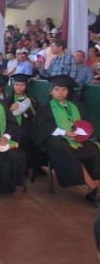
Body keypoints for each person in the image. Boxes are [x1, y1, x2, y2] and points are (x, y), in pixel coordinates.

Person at [32, 75, 100, 204]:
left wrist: (82, 133)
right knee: (68, 152)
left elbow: (85, 123)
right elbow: (43, 128)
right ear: (50, 91)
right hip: (54, 140)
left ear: (68, 92)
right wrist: (64, 132)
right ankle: (93, 187)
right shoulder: (45, 108)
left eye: (64, 89)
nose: (60, 93)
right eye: (57, 89)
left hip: (77, 140)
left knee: (96, 150)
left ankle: (96, 190)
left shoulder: (76, 107)